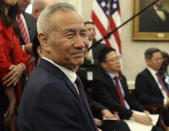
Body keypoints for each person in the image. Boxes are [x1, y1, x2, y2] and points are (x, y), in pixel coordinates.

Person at [18, 3, 98, 131]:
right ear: (44, 41)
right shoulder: (50, 89)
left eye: (83, 33)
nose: (80, 44)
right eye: (70, 35)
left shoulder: (53, 77)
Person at [91, 47, 162, 129]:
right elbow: (110, 103)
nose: (117, 62)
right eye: (112, 60)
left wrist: (143, 110)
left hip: (129, 114)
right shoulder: (99, 80)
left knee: (156, 128)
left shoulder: (121, 78)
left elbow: (129, 99)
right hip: (116, 117)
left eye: (117, 58)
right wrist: (134, 115)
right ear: (103, 64)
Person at [0, 0, 29, 130]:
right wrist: (13, 100)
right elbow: (1, 62)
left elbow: (21, 55)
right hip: (4, 89)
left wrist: (21, 66)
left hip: (13, 85)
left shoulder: (11, 22)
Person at [17, 0, 37, 74]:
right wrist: (24, 49)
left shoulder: (31, 19)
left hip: (34, 74)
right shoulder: (4, 19)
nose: (28, 1)